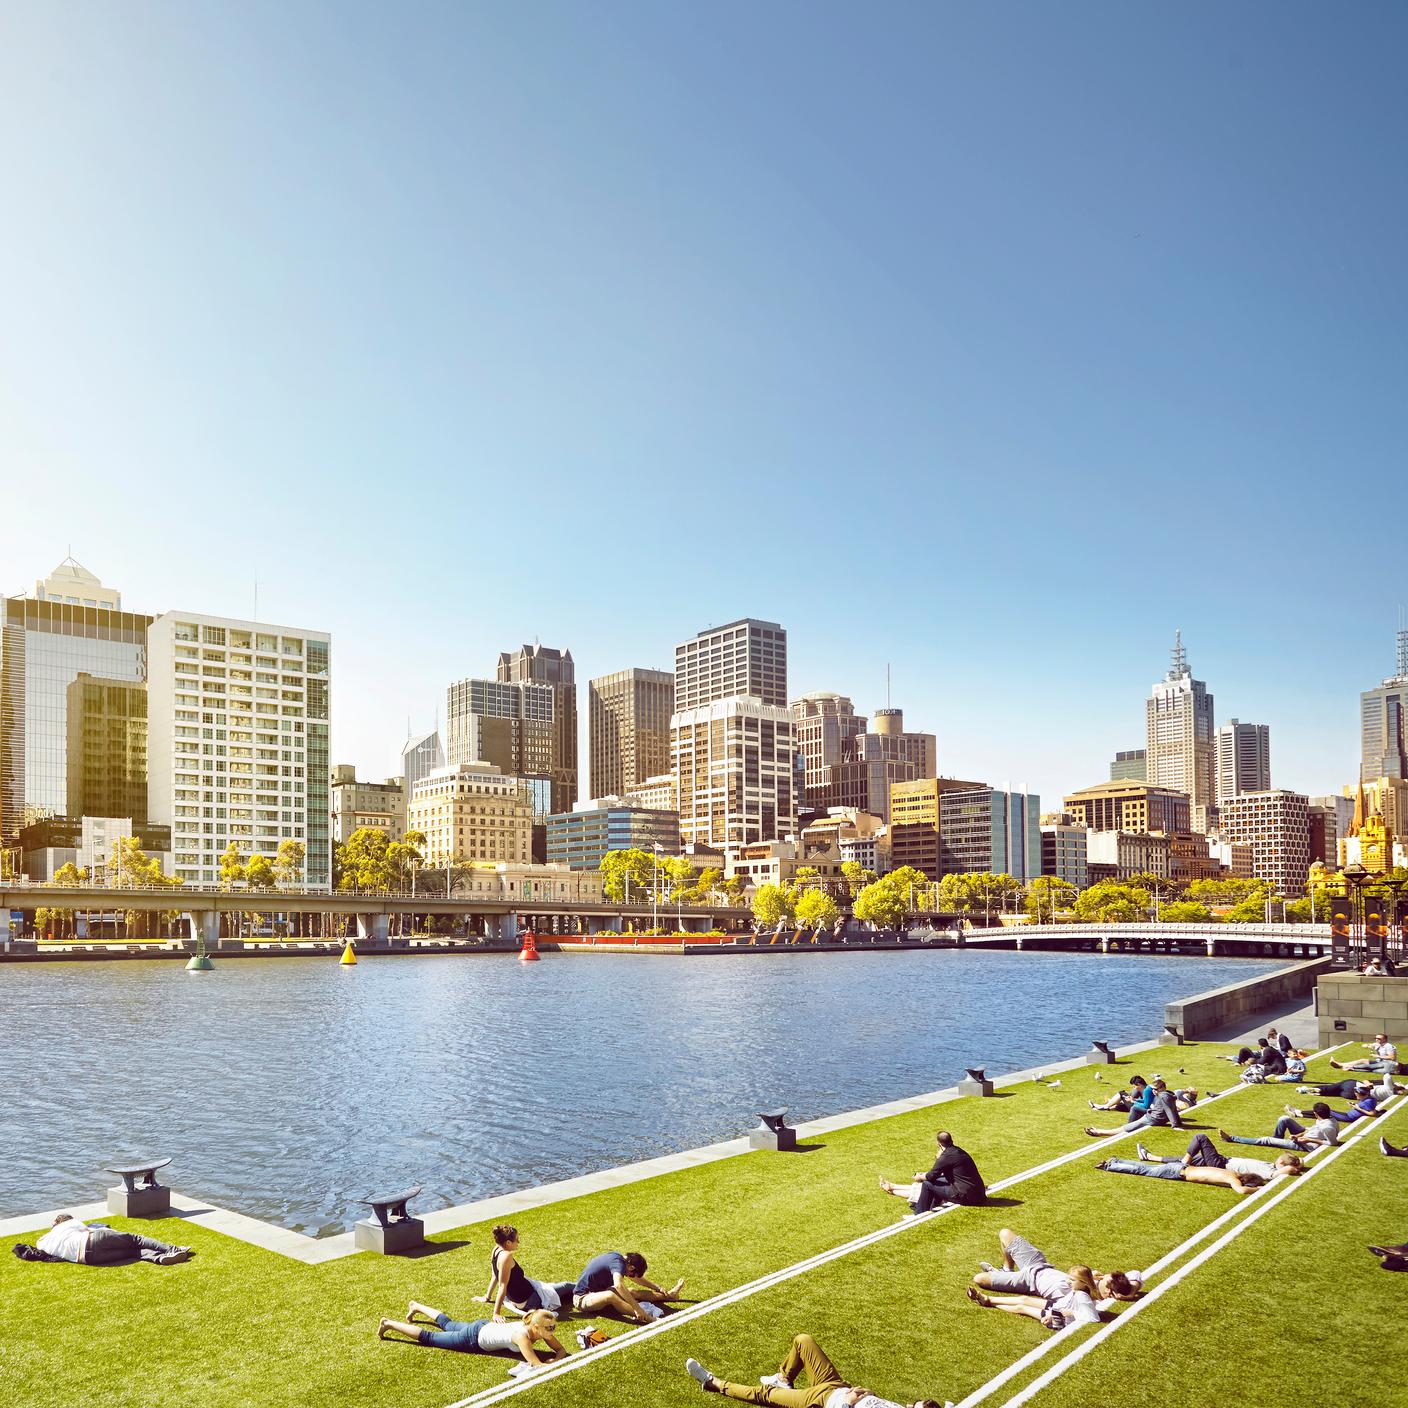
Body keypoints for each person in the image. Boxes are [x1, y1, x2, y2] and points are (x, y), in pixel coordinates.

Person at [683, 1334, 944, 1407]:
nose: (909, 1405)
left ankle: (712, 1382)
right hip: (835, 1385)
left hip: (821, 1402)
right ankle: (784, 1378)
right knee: (803, 1340)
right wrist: (866, 1393)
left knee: (764, 1394)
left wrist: (849, 1403)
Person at [965, 1229, 1140, 1331]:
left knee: (979, 1278)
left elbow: (1076, 1313)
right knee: (1004, 1233)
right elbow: (1135, 1274)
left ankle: (1004, 1277)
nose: (1103, 1277)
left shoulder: (1082, 1296)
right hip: (1038, 1263)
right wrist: (1130, 1290)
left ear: (1110, 1292)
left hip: (1027, 1281)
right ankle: (1006, 1269)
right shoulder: (1091, 1280)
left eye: (1106, 1282)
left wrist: (1055, 1317)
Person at [377, 1301, 567, 1366]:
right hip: (473, 1338)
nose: (552, 1331)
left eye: (553, 1327)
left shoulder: (542, 1330)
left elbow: (560, 1350)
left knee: (448, 1323)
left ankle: (416, 1306)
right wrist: (551, 1362)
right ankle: (389, 1323)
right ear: (535, 1327)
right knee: (429, 1338)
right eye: (548, 1328)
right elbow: (535, 1364)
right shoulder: (522, 1336)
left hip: (482, 1326)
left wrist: (557, 1357)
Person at [1099, 1133, 1302, 1194]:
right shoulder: (1232, 1178)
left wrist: (1294, 1166)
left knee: (1145, 1169)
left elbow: (1289, 1169)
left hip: (1188, 1169)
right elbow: (1241, 1191)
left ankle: (1115, 1163)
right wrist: (1260, 1189)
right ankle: (1114, 1164)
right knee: (1144, 1170)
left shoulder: (1269, 1172)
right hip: (1182, 1171)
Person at [10, 1213, 192, 1266]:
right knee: (135, 1239)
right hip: (92, 1240)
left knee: (134, 1253)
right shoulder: (71, 1223)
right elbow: (94, 1229)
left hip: (89, 1259)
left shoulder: (43, 1242)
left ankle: (158, 1258)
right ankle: (172, 1249)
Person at [476, 1225, 576, 1318]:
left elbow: (495, 1276)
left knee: (559, 1289)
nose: (518, 1242)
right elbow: (502, 1285)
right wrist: (496, 1313)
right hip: (530, 1300)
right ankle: (587, 1284)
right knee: (566, 1286)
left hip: (522, 1297)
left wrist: (487, 1297)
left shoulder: (496, 1250)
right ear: (508, 1243)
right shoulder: (506, 1256)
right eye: (516, 1240)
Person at [880, 1130, 986, 1214]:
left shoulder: (946, 1157)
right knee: (935, 1181)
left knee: (926, 1184)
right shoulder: (960, 1152)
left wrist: (919, 1177)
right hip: (979, 1194)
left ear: (939, 1143)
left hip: (967, 1197)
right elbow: (939, 1175)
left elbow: (931, 1177)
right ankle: (892, 1187)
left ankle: (919, 1213)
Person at [572, 1251, 684, 1323]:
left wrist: (657, 1287)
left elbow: (636, 1278)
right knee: (611, 1296)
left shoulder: (618, 1259)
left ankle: (669, 1296)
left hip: (597, 1293)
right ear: (630, 1267)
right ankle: (648, 1318)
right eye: (631, 1273)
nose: (629, 1276)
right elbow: (618, 1285)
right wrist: (637, 1308)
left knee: (631, 1291)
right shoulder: (619, 1264)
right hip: (582, 1299)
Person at [1215, 1103, 1340, 1152]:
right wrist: (1298, 1135)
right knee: (1283, 1118)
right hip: (1305, 1137)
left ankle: (1231, 1138)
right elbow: (1313, 1130)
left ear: (1317, 1114)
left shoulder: (1327, 1127)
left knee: (1266, 1140)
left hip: (1307, 1145)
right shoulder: (1326, 1119)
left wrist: (1308, 1140)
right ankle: (1277, 1140)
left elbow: (1333, 1143)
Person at [1084, 1078, 1183, 1138]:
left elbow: (1170, 1110)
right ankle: (1099, 1129)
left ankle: (1098, 1132)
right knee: (1128, 1127)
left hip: (1152, 1118)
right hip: (1153, 1116)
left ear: (1162, 1088)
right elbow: (1173, 1109)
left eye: (1155, 1089)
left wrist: (1175, 1125)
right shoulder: (1168, 1095)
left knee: (1126, 1128)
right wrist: (1179, 1123)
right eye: (1153, 1089)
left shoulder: (1163, 1096)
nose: (1153, 1091)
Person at [1331, 1034, 1400, 1074]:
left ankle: (1344, 1066)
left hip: (1387, 1064)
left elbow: (1392, 1058)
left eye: (1379, 1038)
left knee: (1368, 1068)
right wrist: (1367, 1046)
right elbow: (1367, 1045)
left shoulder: (1388, 1046)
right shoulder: (1378, 1044)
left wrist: (1378, 1056)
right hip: (1379, 1062)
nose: (1376, 1040)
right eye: (1376, 1038)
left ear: (1385, 1039)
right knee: (1362, 1060)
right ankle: (1341, 1065)